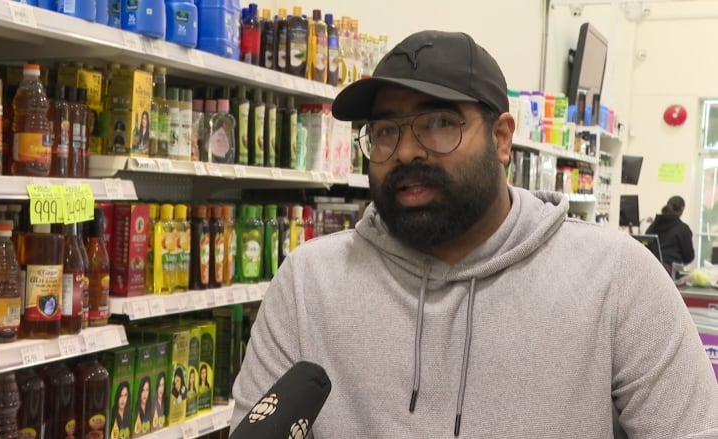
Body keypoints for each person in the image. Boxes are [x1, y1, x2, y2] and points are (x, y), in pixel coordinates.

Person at [230, 30, 718, 438]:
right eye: (385, 131)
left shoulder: (618, 279)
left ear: (502, 138)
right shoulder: (307, 282)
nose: (405, 152)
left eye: (439, 123)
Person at [645, 195, 695, 271]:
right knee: (688, 275)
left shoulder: (653, 226)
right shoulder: (683, 229)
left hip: (651, 269)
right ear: (682, 209)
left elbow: (646, 244)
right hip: (671, 273)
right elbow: (688, 257)